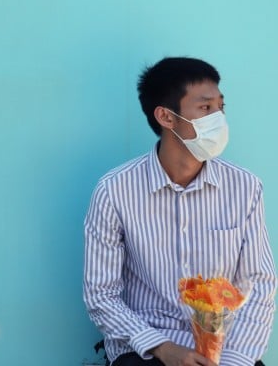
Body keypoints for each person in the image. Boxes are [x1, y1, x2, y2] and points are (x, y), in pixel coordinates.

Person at [84, 57, 276, 366]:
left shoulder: (245, 188)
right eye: (205, 108)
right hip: (147, 348)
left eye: (220, 107)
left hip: (225, 351)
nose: (218, 118)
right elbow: (101, 295)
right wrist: (161, 347)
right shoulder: (114, 191)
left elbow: (260, 282)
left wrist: (235, 360)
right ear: (166, 117)